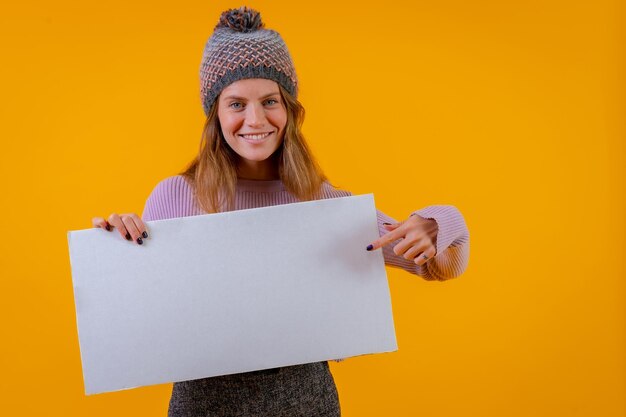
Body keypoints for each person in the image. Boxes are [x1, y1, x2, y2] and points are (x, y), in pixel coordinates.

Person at [91, 6, 470, 417]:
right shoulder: (174, 197)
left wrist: (438, 224)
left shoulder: (323, 203)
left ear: (289, 110)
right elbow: (143, 321)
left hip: (308, 405)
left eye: (269, 101)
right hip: (202, 407)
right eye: (236, 104)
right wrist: (114, 254)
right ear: (215, 115)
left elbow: (443, 265)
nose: (255, 120)